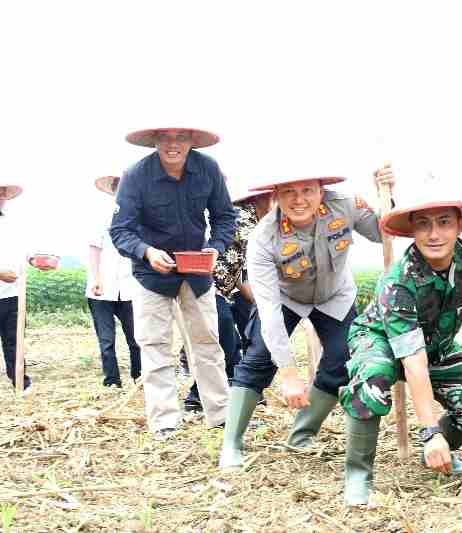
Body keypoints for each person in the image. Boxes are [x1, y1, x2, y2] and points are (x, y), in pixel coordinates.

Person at [338, 186, 462, 506]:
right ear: (412, 229)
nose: (434, 234)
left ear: (459, 225)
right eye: (423, 224)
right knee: (374, 379)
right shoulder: (399, 281)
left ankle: (441, 451)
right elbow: (412, 361)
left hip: (435, 344)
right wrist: (429, 431)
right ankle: (358, 474)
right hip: (379, 339)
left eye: (444, 222)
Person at [218, 166, 395, 469]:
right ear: (276, 196)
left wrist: (387, 199)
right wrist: (288, 373)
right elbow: (269, 309)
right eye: (289, 192)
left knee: (342, 360)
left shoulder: (345, 205)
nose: (299, 200)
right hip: (286, 298)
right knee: (259, 357)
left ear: (321, 190)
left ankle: (302, 434)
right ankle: (231, 444)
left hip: (334, 295)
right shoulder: (264, 238)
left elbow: (384, 233)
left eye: (307, 191)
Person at [110, 127, 237, 439]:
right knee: (154, 345)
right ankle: (165, 421)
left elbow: (224, 216)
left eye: (181, 137)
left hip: (197, 270)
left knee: (207, 341)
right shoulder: (136, 175)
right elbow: (120, 230)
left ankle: (220, 414)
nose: (173, 144)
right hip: (152, 273)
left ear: (192, 141)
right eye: (165, 137)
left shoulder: (208, 169)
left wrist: (215, 248)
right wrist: (146, 252)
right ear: (154, 141)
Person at [183, 184, 273, 412]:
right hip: (203, 284)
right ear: (264, 198)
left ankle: (235, 392)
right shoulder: (245, 220)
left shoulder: (254, 221)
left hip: (220, 289)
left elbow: (238, 271)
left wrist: (260, 301)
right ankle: (202, 395)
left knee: (226, 343)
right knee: (224, 342)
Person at [87, 176, 141, 388]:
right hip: (102, 287)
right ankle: (112, 382)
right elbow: (94, 248)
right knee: (107, 341)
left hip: (130, 287)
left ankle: (139, 377)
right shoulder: (101, 215)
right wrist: (96, 278)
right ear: (114, 191)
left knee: (136, 338)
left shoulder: (140, 216)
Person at [0, 185, 32, 390]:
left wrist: (36, 260)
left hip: (12, 293)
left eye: (3, 192)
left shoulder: (11, 223)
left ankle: (20, 382)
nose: (2, 196)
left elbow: (23, 252)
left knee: (14, 341)